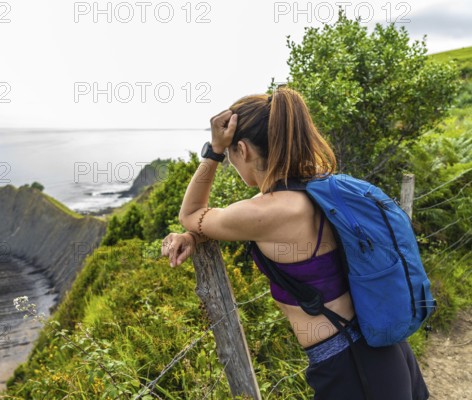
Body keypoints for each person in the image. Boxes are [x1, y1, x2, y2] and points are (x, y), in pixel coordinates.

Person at [160, 88, 429, 399]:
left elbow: (191, 212)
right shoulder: (313, 186)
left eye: (231, 155)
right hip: (382, 353)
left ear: (243, 149)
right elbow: (225, 223)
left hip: (352, 370)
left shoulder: (267, 211)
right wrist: (194, 235)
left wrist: (213, 150)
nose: (230, 163)